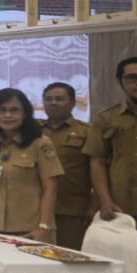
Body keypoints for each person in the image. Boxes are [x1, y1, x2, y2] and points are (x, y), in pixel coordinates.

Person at [85, 57, 137, 273]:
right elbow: (96, 160)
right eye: (132, 77)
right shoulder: (106, 118)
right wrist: (104, 200)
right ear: (120, 82)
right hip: (118, 211)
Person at [0, 88, 62, 240]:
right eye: (2, 110)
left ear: (25, 113)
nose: (7, 115)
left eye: (14, 110)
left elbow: (51, 188)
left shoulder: (40, 143)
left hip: (31, 231)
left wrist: (44, 226)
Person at [41, 82, 93, 251]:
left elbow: (99, 170)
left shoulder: (87, 132)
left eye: (59, 99)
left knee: (67, 256)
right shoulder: (33, 131)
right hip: (35, 208)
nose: (53, 103)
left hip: (72, 209)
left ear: (72, 103)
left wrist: (96, 206)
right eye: (48, 99)